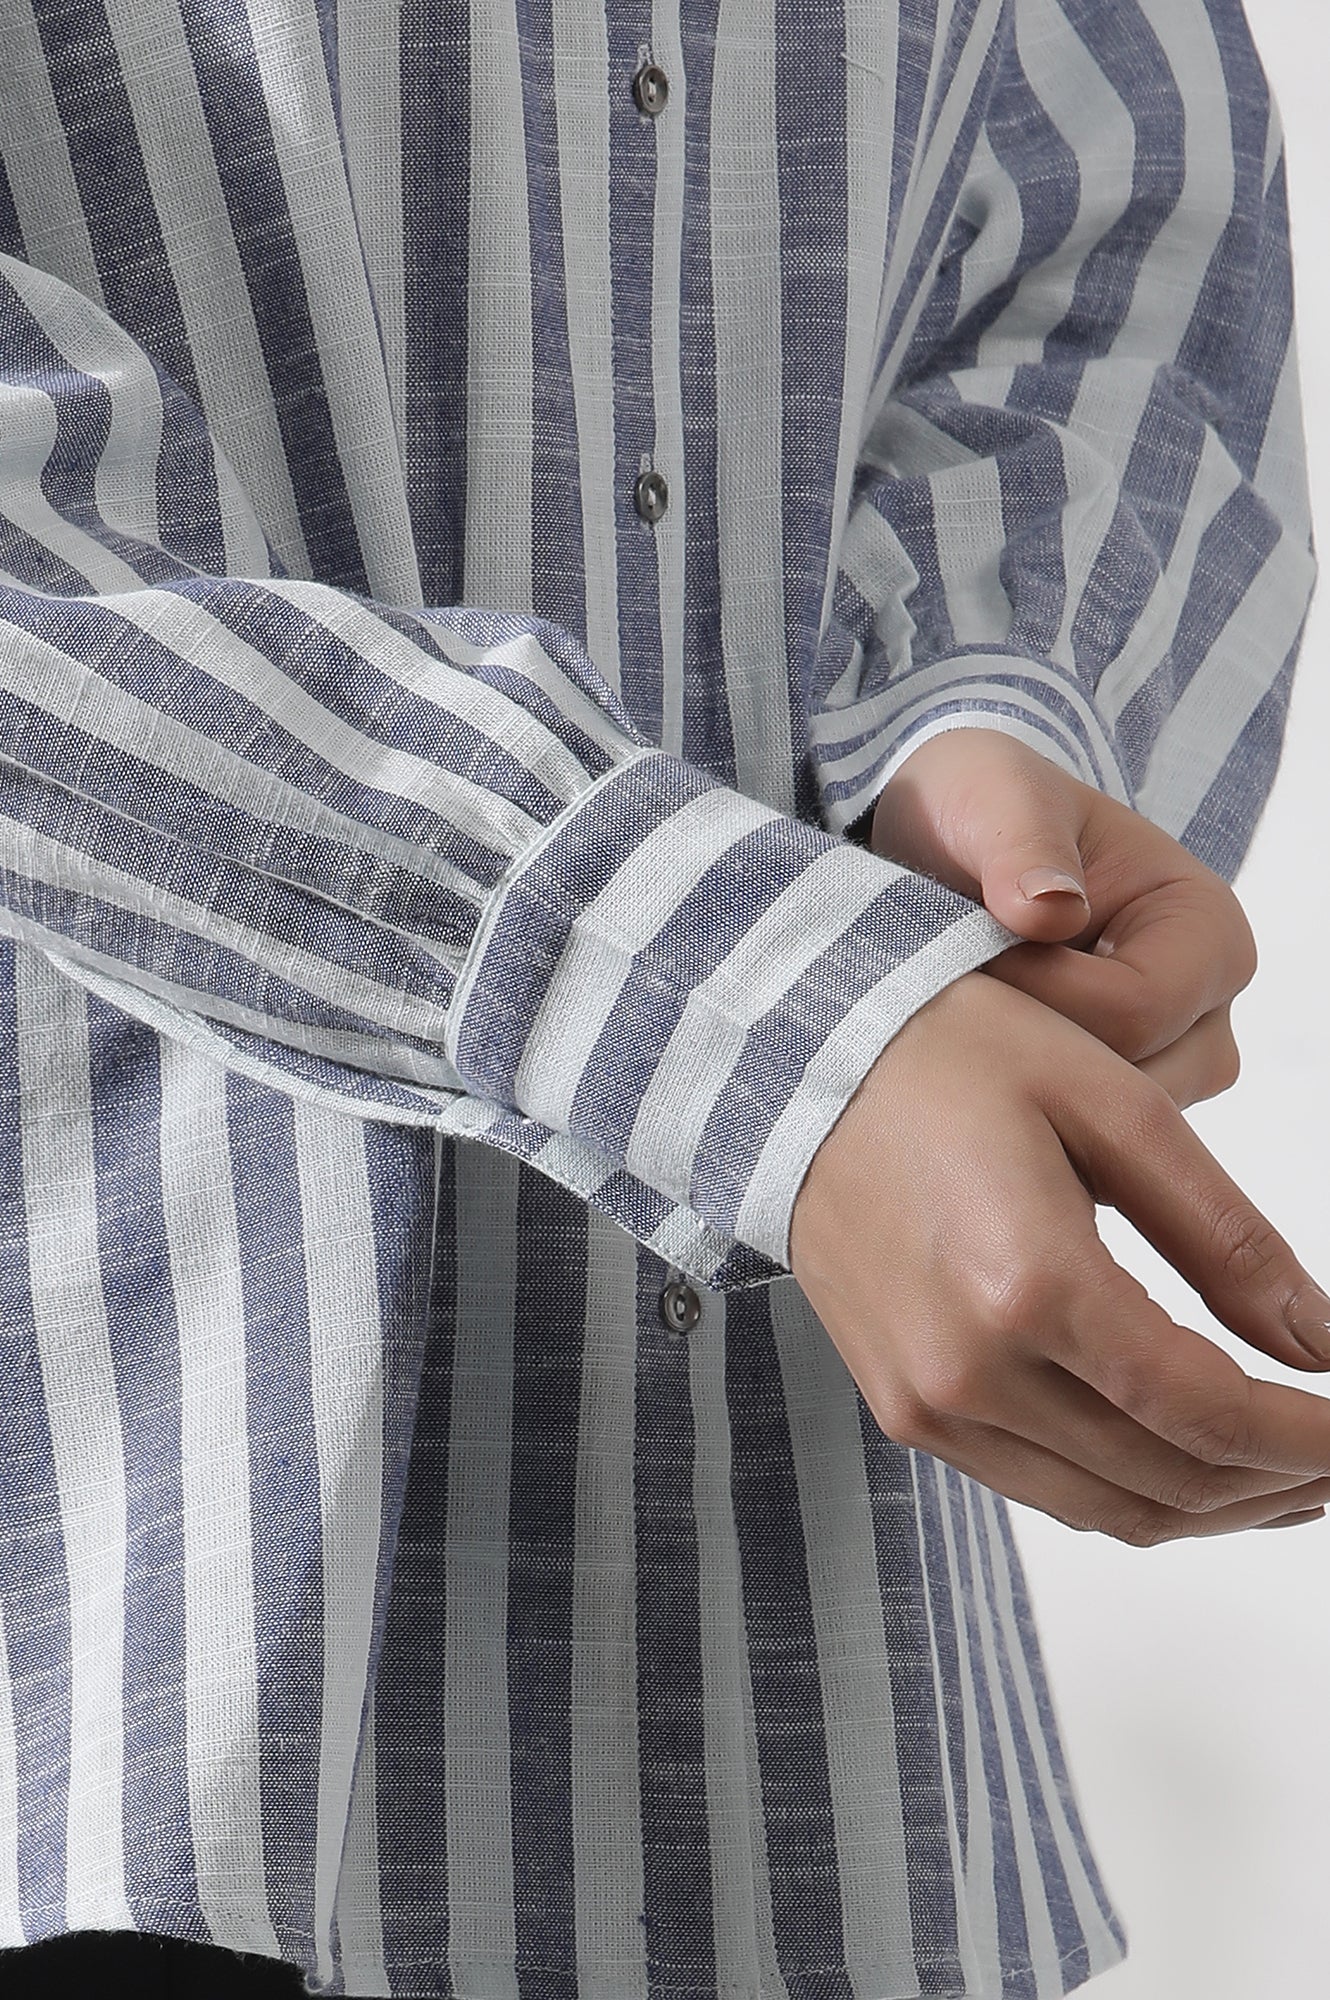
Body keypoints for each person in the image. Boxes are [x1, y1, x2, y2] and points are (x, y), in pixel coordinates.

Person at [0, 0, 1321, 1995]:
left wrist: (989, 697)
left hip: (817, 1713)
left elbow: (1102, 198)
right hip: (117, 1630)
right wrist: (722, 998)